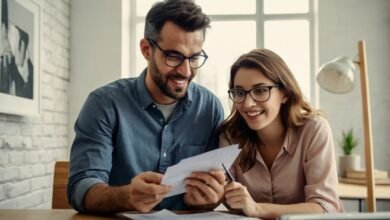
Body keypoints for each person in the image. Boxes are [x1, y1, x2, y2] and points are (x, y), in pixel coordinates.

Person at [67, 0, 226, 214]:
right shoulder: (104, 104)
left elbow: (209, 194)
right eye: (174, 56)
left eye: (195, 57)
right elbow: (81, 189)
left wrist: (210, 198)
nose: (186, 71)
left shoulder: (210, 108)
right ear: (146, 50)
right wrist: (127, 196)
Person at [219, 49, 344, 219]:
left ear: (284, 93)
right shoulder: (230, 136)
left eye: (261, 90)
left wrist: (258, 209)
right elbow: (229, 198)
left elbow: (325, 208)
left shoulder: (314, 130)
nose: (248, 103)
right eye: (239, 93)